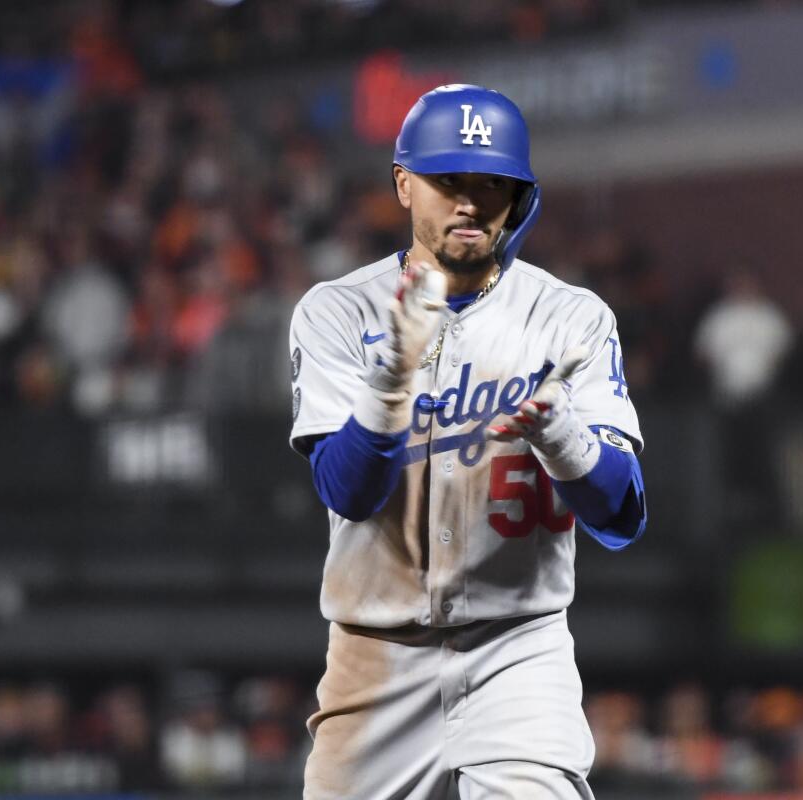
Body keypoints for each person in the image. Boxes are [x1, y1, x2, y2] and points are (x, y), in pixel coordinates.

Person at [288, 84, 647, 799]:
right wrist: (390, 383)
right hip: (374, 655)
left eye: (491, 182)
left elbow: (623, 516)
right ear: (403, 183)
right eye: (448, 179)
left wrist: (563, 437)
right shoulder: (337, 312)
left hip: (518, 648)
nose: (470, 200)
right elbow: (348, 491)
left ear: (519, 196)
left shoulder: (567, 318)